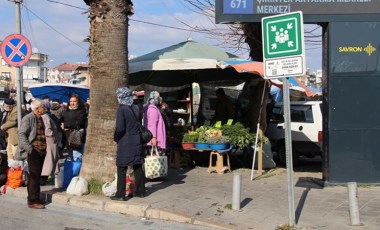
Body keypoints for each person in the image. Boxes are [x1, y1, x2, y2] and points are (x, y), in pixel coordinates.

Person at [112, 87, 145, 201]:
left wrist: (116, 138)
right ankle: (140, 191)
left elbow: (120, 128)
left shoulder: (122, 109)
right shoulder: (136, 107)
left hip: (125, 142)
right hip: (137, 140)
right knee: (137, 165)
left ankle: (120, 194)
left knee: (121, 167)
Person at [16, 99, 46, 209]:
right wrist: (30, 149)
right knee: (34, 176)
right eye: (43, 106)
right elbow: (21, 135)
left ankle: (36, 198)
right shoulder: (28, 118)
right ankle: (32, 201)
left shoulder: (41, 118)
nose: (45, 108)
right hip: (33, 151)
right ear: (37, 109)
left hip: (42, 151)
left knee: (37, 176)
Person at [62, 94, 87, 162]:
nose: (72, 103)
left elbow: (80, 123)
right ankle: (72, 172)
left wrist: (66, 125)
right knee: (70, 156)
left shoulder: (82, 110)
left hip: (77, 137)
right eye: (71, 101)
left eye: (74, 101)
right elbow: (62, 120)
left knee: (77, 157)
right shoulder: (66, 110)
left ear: (78, 102)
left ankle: (76, 172)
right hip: (67, 137)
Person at [40, 114, 59, 185]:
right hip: (49, 141)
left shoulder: (44, 116)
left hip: (48, 142)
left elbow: (48, 129)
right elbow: (48, 129)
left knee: (48, 161)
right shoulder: (45, 116)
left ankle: (43, 179)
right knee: (49, 161)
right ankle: (44, 179)